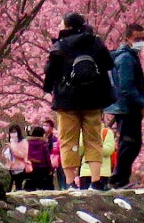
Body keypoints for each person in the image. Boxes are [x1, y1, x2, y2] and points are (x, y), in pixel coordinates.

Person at [43, 12, 116, 190]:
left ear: (68, 27)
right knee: (94, 140)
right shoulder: (96, 42)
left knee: (68, 140)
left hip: (66, 101)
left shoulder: (59, 46)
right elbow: (108, 64)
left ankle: (69, 183)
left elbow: (50, 73)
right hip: (93, 99)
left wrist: (48, 88)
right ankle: (96, 181)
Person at [105, 23, 144, 189]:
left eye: (142, 39)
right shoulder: (125, 58)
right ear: (127, 39)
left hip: (128, 106)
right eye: (137, 39)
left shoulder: (131, 57)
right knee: (129, 143)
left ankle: (121, 178)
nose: (140, 42)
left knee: (133, 143)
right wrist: (142, 103)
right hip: (126, 107)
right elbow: (126, 86)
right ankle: (118, 179)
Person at [25, 122, 56, 190]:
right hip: (43, 168)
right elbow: (47, 157)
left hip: (31, 167)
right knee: (46, 187)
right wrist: (50, 168)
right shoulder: (43, 144)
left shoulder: (27, 143)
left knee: (31, 187)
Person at [4, 123, 32, 189]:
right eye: (11, 132)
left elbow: (23, 154)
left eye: (14, 132)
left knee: (18, 187)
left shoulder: (23, 142)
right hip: (10, 167)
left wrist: (12, 149)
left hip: (20, 168)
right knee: (8, 187)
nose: (12, 134)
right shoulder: (11, 141)